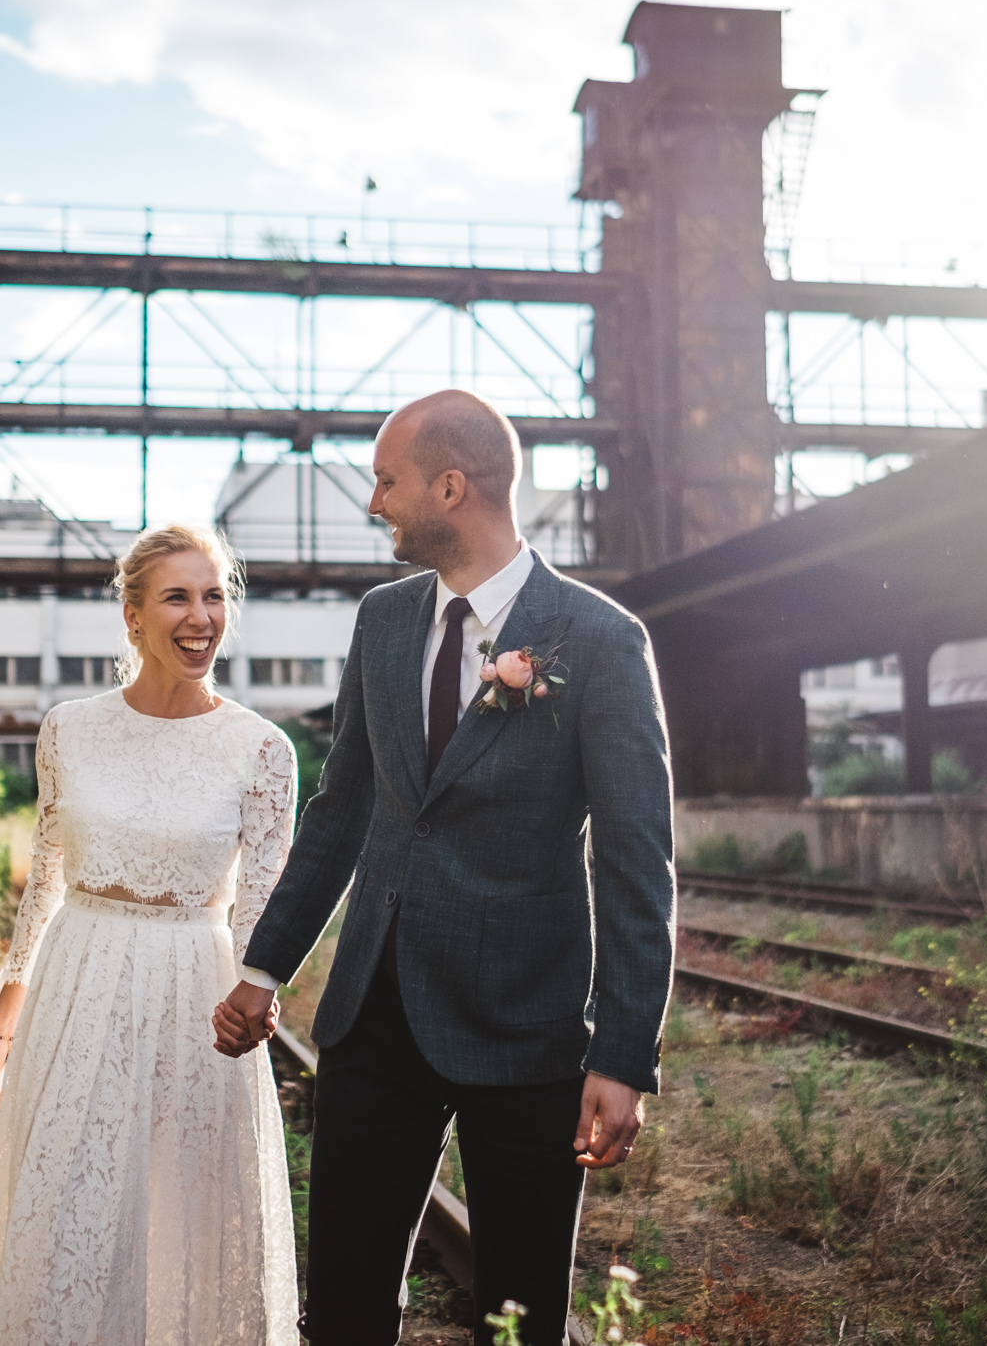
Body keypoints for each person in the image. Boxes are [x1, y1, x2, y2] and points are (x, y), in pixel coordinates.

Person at [214, 389, 676, 1346]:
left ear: (451, 486)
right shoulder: (383, 621)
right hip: (373, 1017)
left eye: (387, 480)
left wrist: (623, 1055)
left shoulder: (598, 641)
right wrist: (264, 970)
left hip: (528, 1030)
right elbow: (341, 811)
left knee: (519, 1310)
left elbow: (637, 865)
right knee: (343, 1304)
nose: (375, 502)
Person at [0, 524, 298, 1346]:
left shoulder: (263, 749)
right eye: (179, 596)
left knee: (186, 1222)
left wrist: (260, 1005)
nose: (201, 616)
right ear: (132, 615)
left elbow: (264, 916)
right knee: (64, 1218)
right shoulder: (68, 728)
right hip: (75, 988)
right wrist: (0, 1022)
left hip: (196, 1001)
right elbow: (46, 881)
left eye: (216, 594)